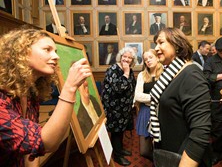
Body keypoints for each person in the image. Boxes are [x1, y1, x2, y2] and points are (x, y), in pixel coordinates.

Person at [0, 28, 91, 166]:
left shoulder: (30, 92)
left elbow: (30, 151)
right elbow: (45, 143)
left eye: (55, 51)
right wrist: (70, 87)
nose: (56, 56)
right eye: (47, 49)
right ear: (21, 52)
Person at [148, 27, 211, 166]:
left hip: (184, 157)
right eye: (155, 44)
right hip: (169, 152)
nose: (156, 48)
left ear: (176, 44)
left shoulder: (191, 75)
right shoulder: (171, 72)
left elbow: (200, 131)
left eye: (161, 42)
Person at [102, 46, 137, 166]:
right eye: (124, 56)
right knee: (116, 131)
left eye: (129, 58)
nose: (126, 59)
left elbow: (131, 86)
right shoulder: (113, 69)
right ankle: (117, 156)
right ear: (120, 57)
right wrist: (126, 73)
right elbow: (118, 88)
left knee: (121, 130)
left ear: (133, 60)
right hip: (114, 108)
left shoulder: (130, 70)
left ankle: (120, 150)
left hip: (124, 108)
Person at [203, 37, 222, 165]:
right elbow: (205, 77)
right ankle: (217, 153)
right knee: (218, 128)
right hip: (217, 100)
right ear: (217, 51)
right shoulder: (211, 61)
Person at [134, 48, 163, 160]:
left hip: (161, 112)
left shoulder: (165, 73)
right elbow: (137, 96)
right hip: (146, 112)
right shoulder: (142, 75)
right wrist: (155, 97)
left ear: (157, 58)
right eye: (146, 59)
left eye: (150, 57)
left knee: (160, 147)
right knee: (144, 151)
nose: (148, 61)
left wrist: (147, 98)